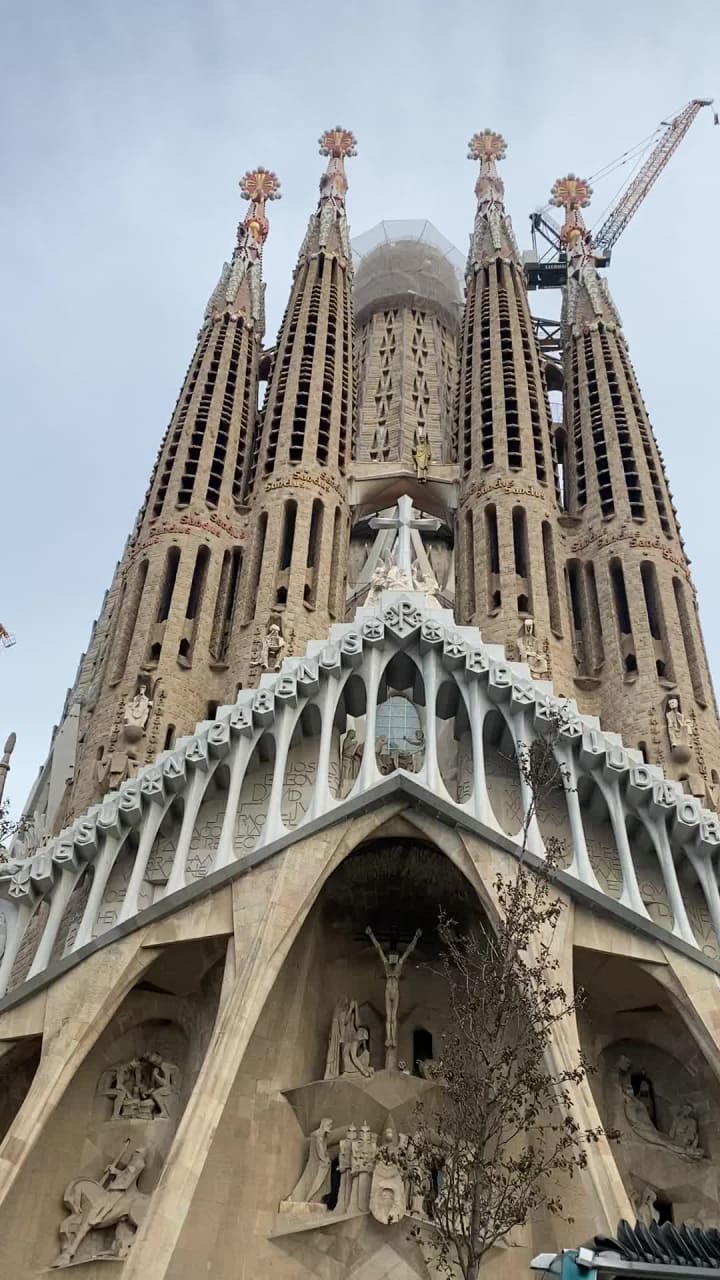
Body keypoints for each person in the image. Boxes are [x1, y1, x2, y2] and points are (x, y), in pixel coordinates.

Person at [366, 926, 422, 1048]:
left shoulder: (398, 966)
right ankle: (388, 1038)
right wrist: (371, 935)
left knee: (393, 1017)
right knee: (389, 1017)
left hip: (394, 991)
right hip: (388, 991)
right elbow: (378, 949)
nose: (392, 958)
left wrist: (416, 938)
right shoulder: (387, 965)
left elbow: (408, 951)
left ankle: (393, 1039)